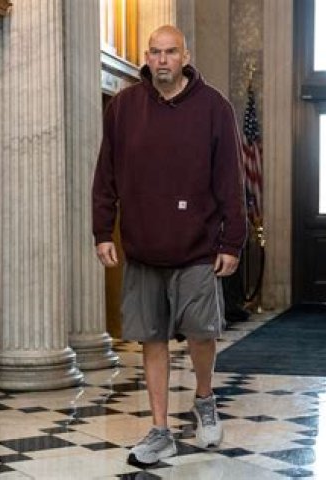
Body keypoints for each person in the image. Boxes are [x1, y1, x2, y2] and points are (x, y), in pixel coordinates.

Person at [92, 25, 246, 468]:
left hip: (197, 247)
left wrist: (232, 241)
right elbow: (106, 175)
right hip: (142, 248)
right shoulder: (123, 108)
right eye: (155, 52)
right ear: (147, 57)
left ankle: (204, 398)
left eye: (171, 52)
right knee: (152, 338)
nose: (162, 60)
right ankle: (160, 430)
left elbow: (230, 180)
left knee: (201, 332)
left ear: (185, 56)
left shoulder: (214, 107)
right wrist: (102, 231)